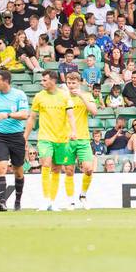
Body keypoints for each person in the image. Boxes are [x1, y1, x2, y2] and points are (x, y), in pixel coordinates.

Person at [25, 69, 76, 212]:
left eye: (45, 80)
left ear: (53, 81)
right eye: (42, 80)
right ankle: (45, 200)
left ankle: (52, 202)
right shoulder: (38, 97)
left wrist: (73, 131)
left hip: (61, 138)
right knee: (46, 164)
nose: (42, 82)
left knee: (56, 169)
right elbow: (32, 118)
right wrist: (25, 137)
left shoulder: (65, 96)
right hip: (45, 137)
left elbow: (71, 116)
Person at [0, 69, 31, 212]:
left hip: (17, 136)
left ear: (6, 82)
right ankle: (2, 201)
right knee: (1, 167)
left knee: (18, 171)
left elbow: (25, 115)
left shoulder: (19, 95)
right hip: (0, 136)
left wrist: (8, 115)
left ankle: (17, 201)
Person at [63, 69, 98, 208]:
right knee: (69, 170)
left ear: (79, 83)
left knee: (89, 169)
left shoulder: (87, 95)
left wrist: (82, 97)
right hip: (66, 139)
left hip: (83, 138)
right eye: (69, 82)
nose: (71, 85)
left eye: (73, 82)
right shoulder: (63, 97)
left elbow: (94, 111)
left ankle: (83, 195)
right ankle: (71, 201)